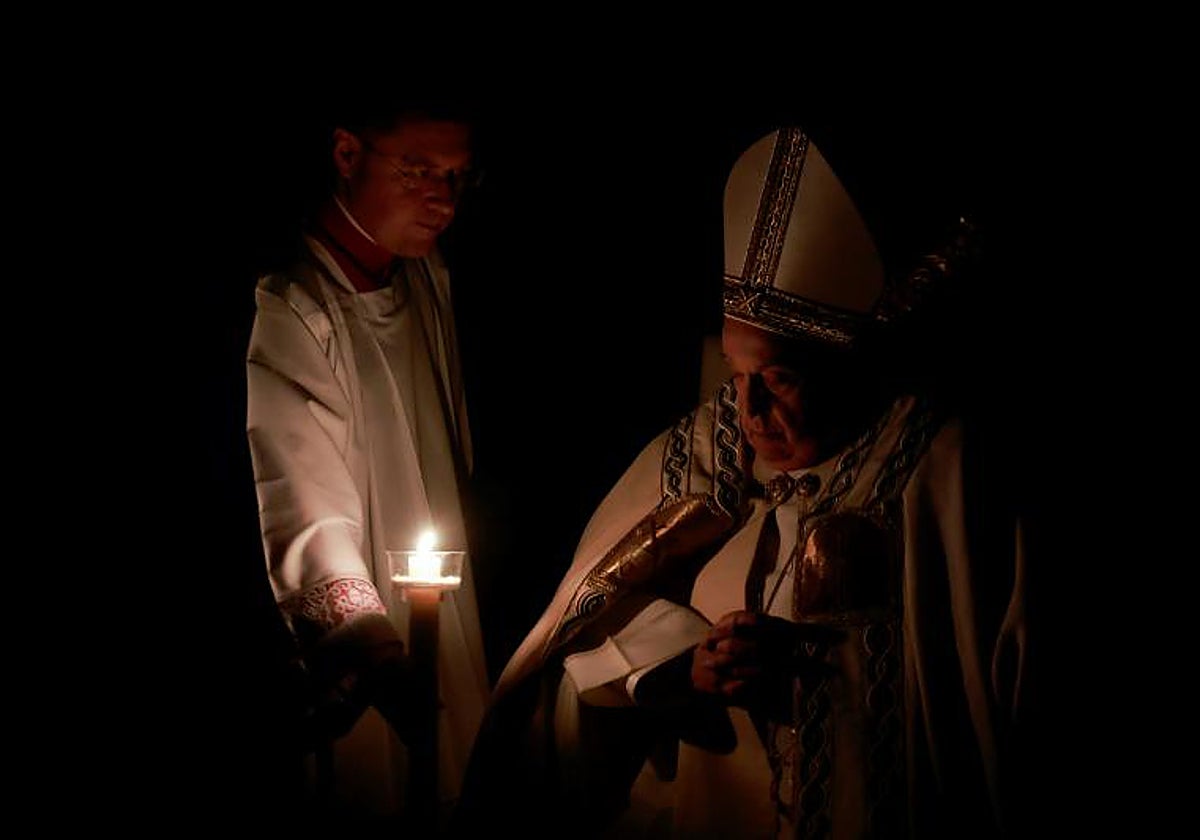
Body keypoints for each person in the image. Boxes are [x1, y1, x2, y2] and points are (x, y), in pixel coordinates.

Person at [454, 125, 1036, 838]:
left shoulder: (944, 475)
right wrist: (683, 667)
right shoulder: (703, 455)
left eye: (781, 378)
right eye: (736, 373)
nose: (749, 409)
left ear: (851, 371)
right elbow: (583, 646)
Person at [244, 83, 490, 829]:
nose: (441, 198)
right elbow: (301, 499)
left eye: (455, 175)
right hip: (373, 641)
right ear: (347, 153)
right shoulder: (294, 307)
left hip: (445, 607)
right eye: (417, 170)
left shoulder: (425, 276)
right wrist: (376, 655)